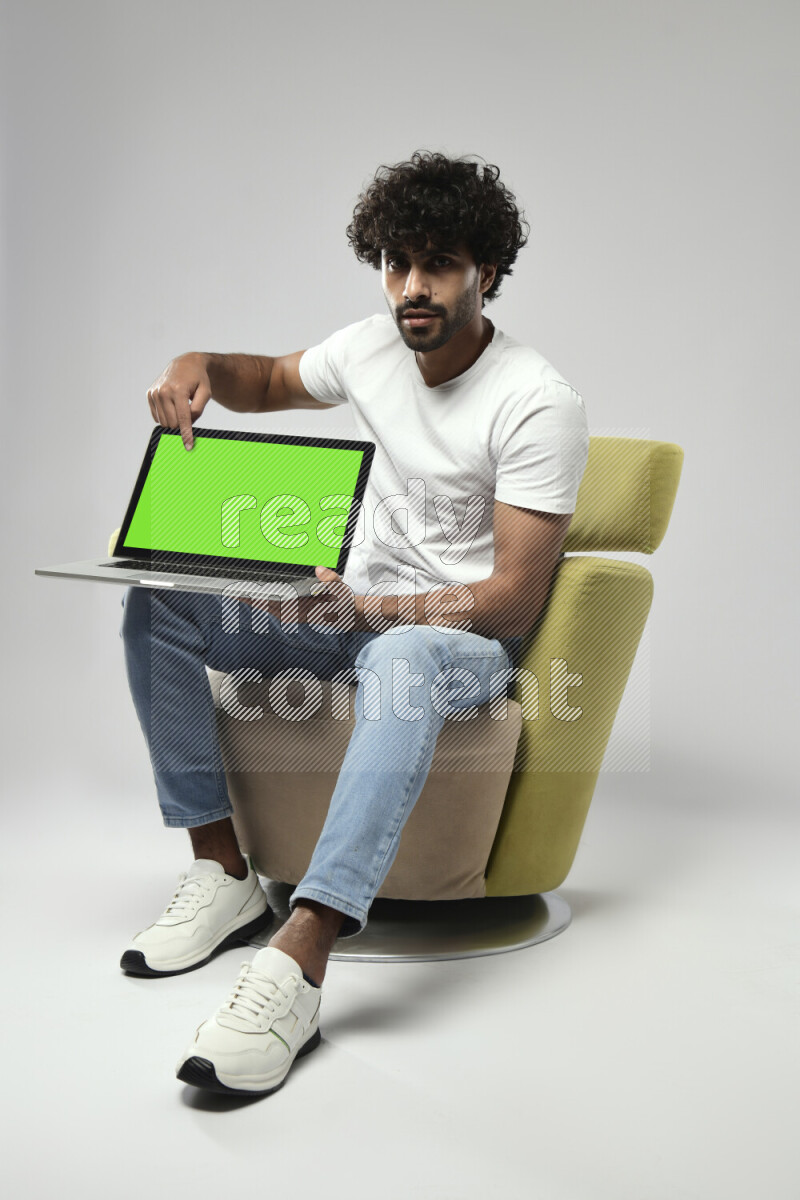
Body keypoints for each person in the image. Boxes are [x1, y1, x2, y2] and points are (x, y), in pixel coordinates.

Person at [120, 150, 589, 1097]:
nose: (413, 287)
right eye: (396, 263)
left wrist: (372, 608)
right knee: (160, 600)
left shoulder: (538, 401)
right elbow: (261, 378)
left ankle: (302, 951)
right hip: (345, 616)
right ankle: (223, 873)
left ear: (486, 271)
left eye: (440, 264)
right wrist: (195, 365)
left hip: (455, 641)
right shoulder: (375, 348)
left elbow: (512, 601)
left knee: (405, 657)